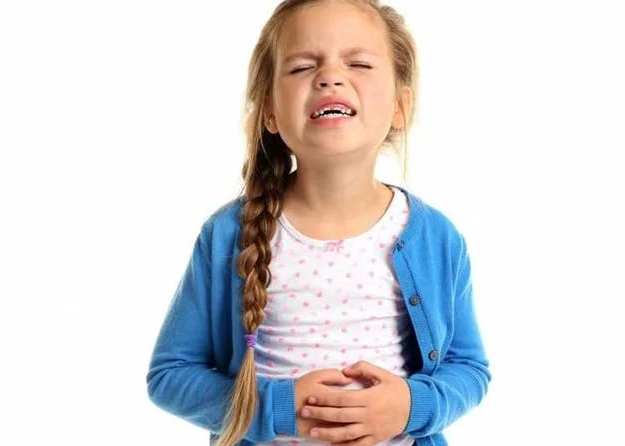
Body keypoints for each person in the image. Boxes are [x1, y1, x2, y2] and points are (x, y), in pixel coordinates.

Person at [146, 1, 491, 445]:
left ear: (400, 106)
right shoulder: (228, 234)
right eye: (302, 67)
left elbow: (469, 368)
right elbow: (171, 375)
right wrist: (275, 408)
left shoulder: (436, 238)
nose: (330, 77)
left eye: (359, 63)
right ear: (270, 111)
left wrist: (412, 406)